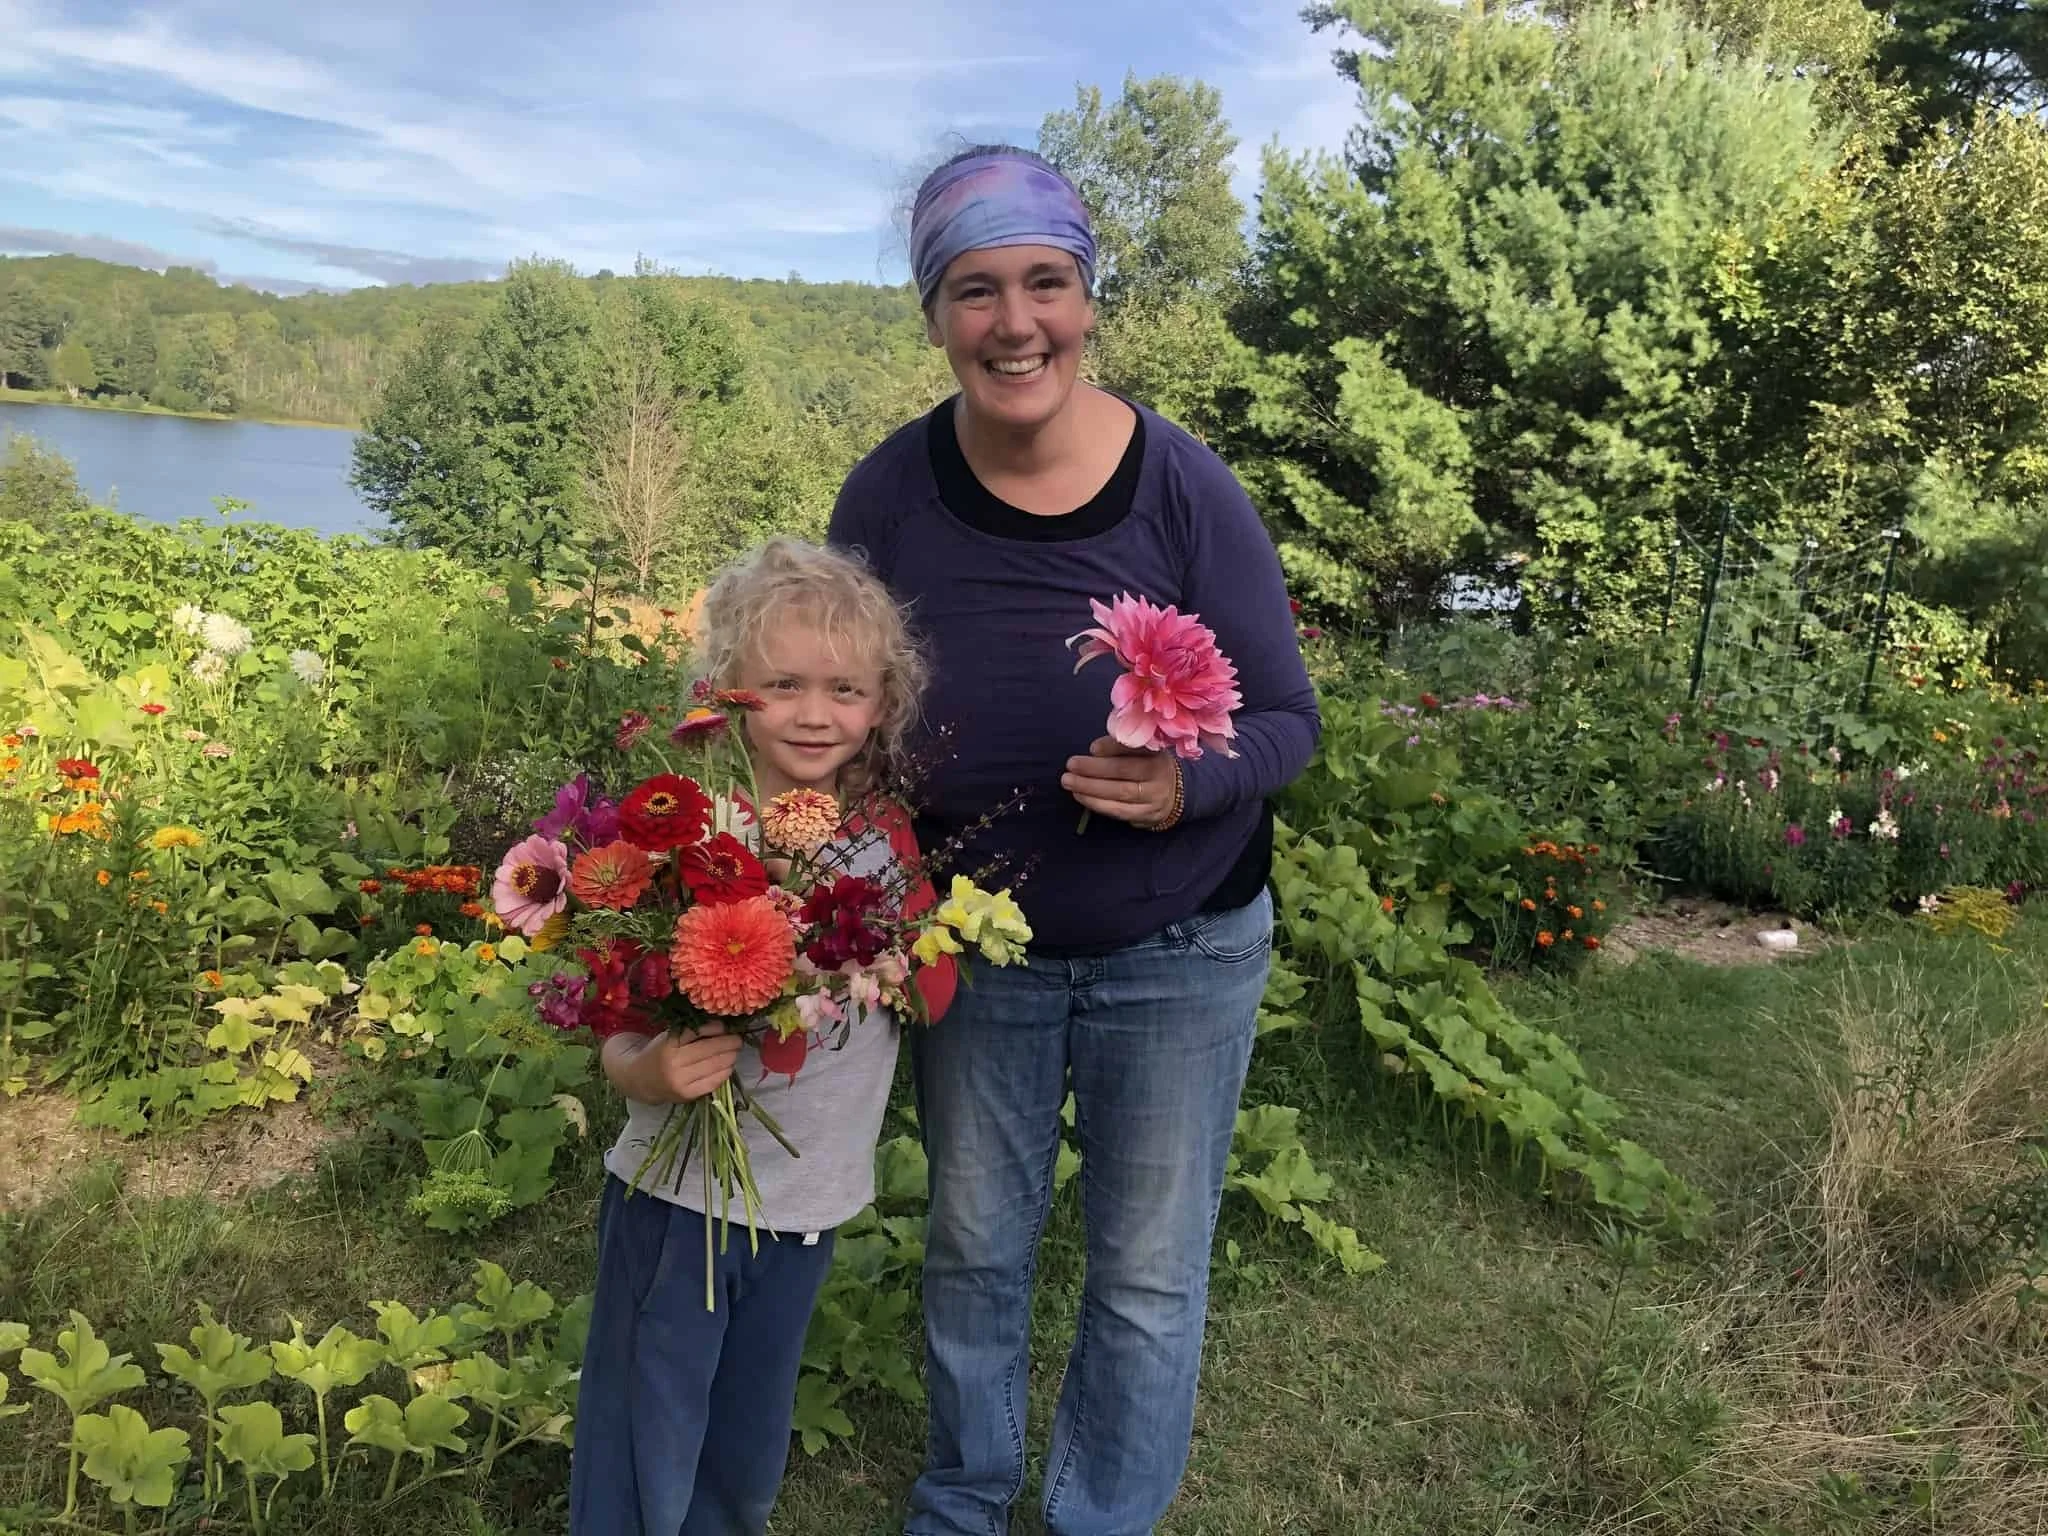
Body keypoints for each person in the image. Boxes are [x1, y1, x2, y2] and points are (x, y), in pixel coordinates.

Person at [827, 146, 1320, 1536]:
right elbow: (838, 714)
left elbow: (1288, 722)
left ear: (1089, 300)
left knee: (1148, 1275)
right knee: (973, 1249)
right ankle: (964, 1500)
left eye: (1045, 282)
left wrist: (1185, 789)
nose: (1015, 322)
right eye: (975, 290)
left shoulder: (1183, 487)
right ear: (934, 314)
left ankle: (1099, 1515)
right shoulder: (888, 497)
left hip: (1181, 946)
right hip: (975, 953)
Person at [568, 536, 957, 1536]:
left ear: (881, 702)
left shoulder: (884, 834)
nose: (815, 713)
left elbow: (936, 990)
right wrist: (653, 1069)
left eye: (844, 689)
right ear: (727, 691)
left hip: (807, 1203)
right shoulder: (696, 831)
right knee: (645, 1423)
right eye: (783, 685)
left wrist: (893, 954)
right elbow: (618, 1028)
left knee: (744, 1438)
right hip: (680, 1197)